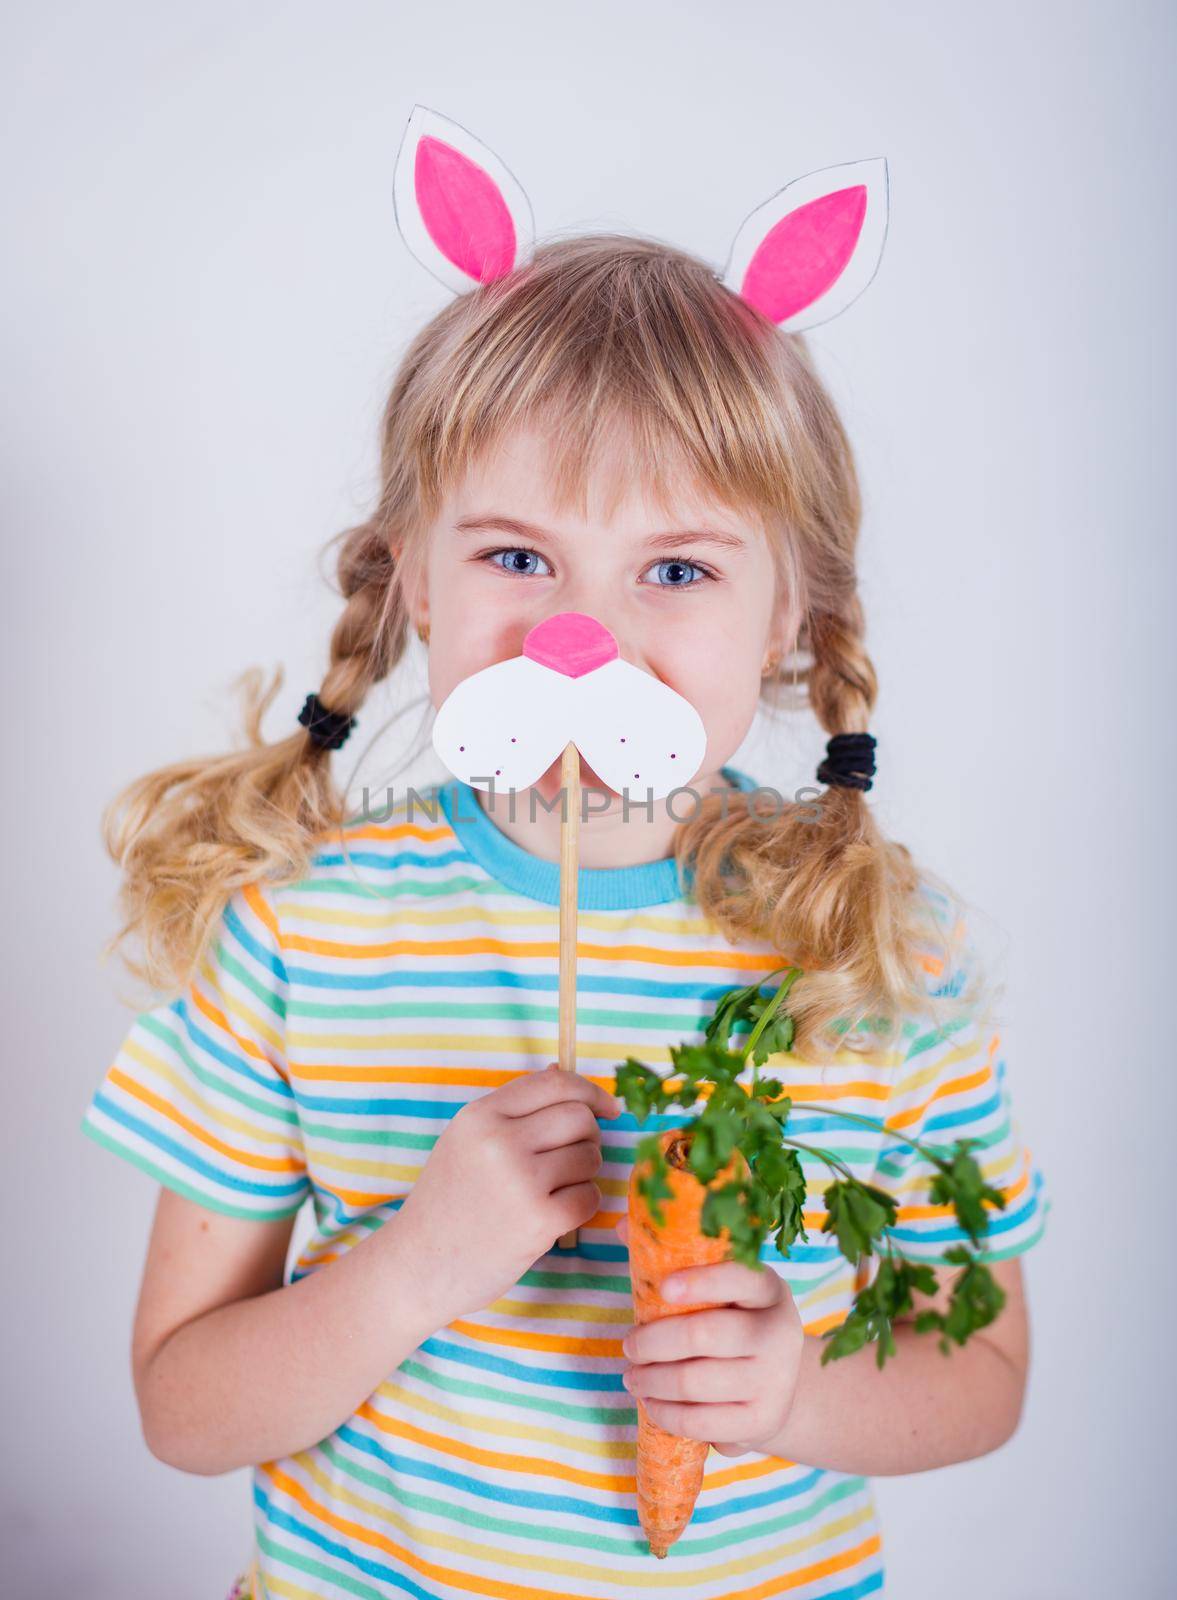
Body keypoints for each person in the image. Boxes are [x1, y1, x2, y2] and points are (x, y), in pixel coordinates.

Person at [80, 108, 1050, 1600]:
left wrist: (799, 1398)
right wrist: (414, 1265)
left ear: (790, 612)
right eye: (518, 557)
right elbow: (182, 1410)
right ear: (412, 575)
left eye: (675, 568)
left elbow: (979, 1371)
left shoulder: (872, 949)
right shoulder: (304, 936)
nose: (582, 638)